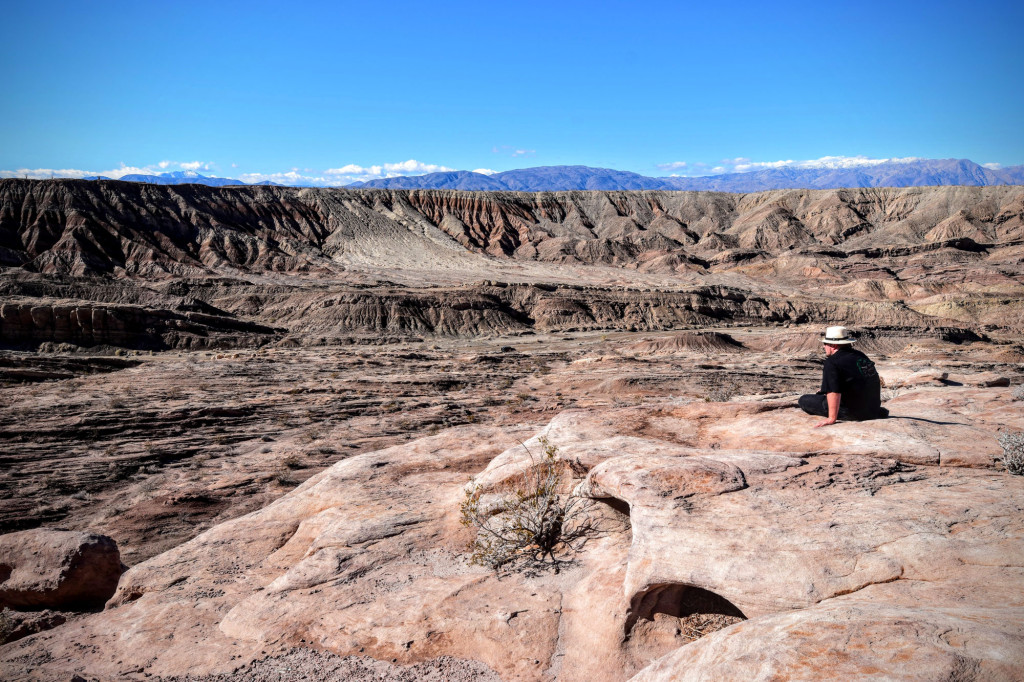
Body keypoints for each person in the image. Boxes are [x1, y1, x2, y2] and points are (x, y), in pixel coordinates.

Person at [798, 326, 887, 427]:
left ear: (834, 345)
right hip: (873, 410)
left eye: (825, 343)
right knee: (822, 393)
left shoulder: (832, 362)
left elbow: (834, 391)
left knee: (804, 400)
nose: (823, 346)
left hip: (852, 412)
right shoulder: (860, 355)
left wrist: (831, 418)